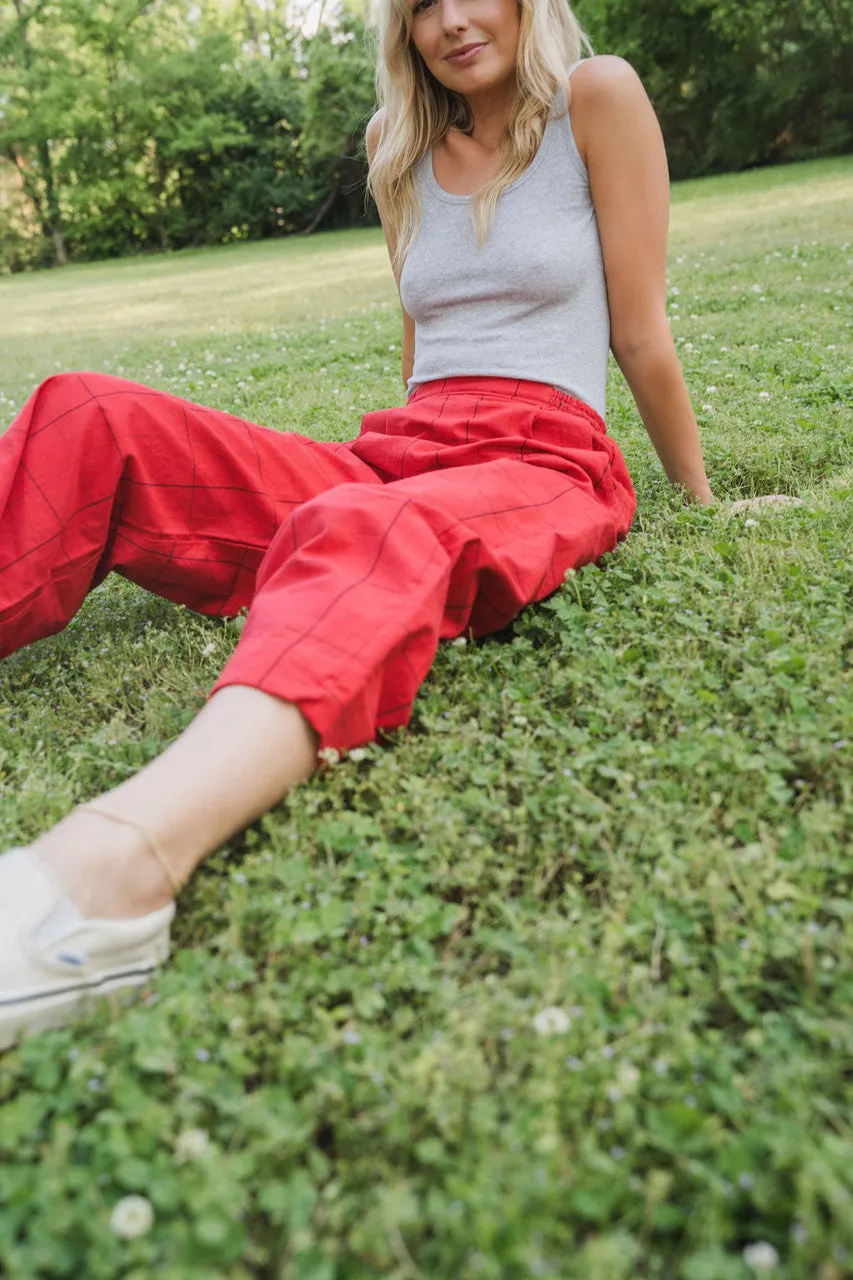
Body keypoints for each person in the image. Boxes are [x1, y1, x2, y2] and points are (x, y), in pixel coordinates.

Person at [0, 0, 719, 1051]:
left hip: (544, 456)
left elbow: (639, 327)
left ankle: (113, 872)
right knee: (87, 412)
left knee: (363, 526)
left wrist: (698, 502)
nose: (450, 19)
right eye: (420, 3)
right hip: (403, 449)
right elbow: (419, 340)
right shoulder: (394, 146)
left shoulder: (596, 98)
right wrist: (379, 471)